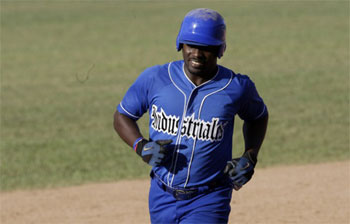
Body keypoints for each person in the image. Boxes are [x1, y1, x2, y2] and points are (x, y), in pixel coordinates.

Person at [113, 8, 268, 224]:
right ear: (180, 45)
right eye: (191, 45)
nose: (196, 53)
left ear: (219, 50)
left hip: (209, 198)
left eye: (206, 47)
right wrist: (140, 145)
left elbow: (258, 117)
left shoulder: (236, 87)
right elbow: (122, 116)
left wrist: (250, 155)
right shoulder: (155, 79)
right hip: (161, 196)